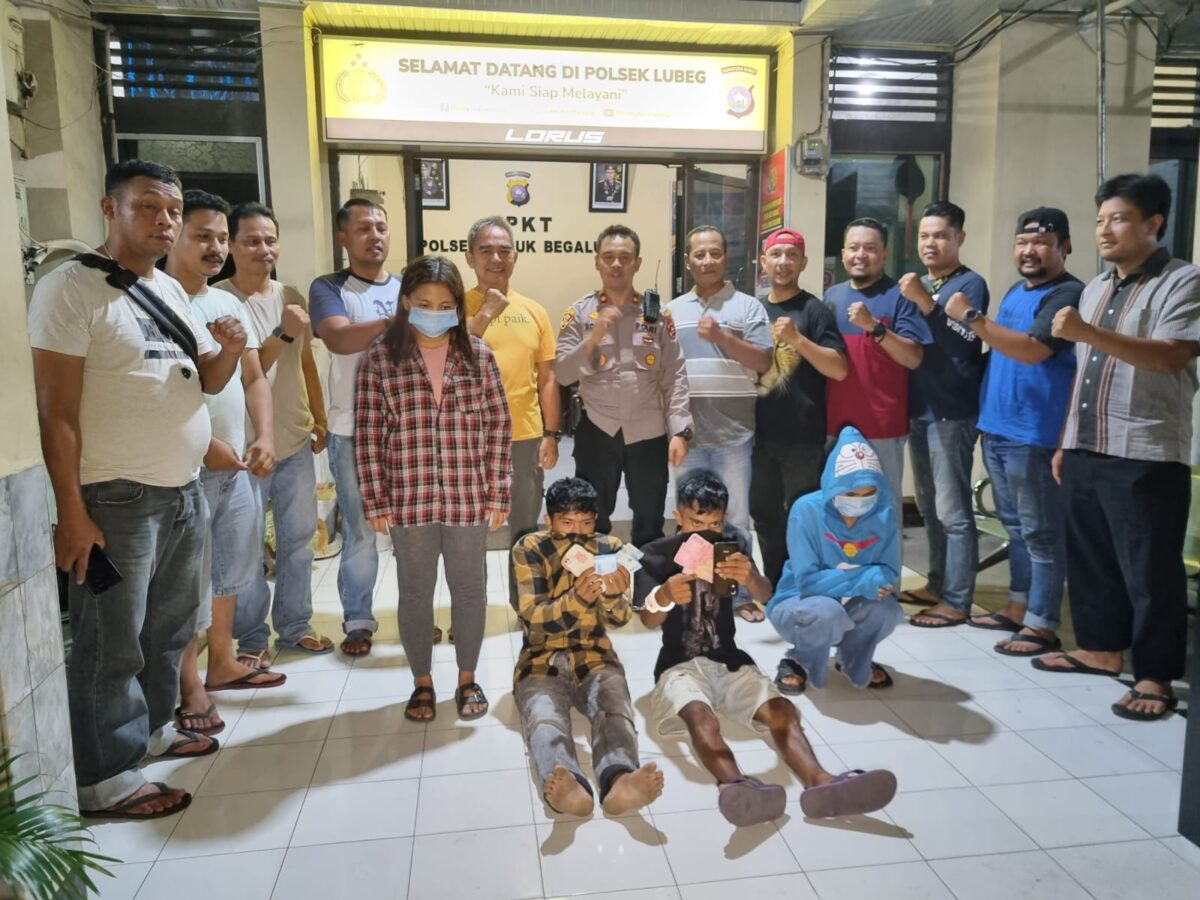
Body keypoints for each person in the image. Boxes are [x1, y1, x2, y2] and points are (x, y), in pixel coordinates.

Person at [28, 160, 245, 819]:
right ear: (110, 208)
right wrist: (72, 512)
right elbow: (55, 414)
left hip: (182, 491)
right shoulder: (71, 289)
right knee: (111, 642)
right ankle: (105, 778)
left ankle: (149, 733)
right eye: (148, 206)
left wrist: (232, 349)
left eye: (172, 210)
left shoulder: (169, 288)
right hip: (114, 498)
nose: (164, 220)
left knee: (168, 631)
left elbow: (205, 380)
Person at [636, 470, 898, 824]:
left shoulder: (732, 543)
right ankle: (735, 786)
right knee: (701, 716)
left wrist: (749, 576)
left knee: (782, 710)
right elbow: (648, 620)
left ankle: (821, 781)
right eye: (696, 522)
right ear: (678, 516)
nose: (706, 531)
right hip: (678, 664)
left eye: (714, 522)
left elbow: (765, 595)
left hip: (730, 660)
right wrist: (665, 595)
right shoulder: (654, 554)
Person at [1038, 174, 1200, 722]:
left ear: (1154, 223)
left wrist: (1088, 333)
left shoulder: (1183, 282)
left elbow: (1170, 356)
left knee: (1150, 571)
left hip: (1145, 449)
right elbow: (1083, 370)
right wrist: (1065, 440)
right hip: (1087, 442)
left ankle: (1155, 674)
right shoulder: (1095, 288)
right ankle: (1100, 649)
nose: (1105, 230)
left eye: (1120, 219)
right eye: (1101, 220)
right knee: (1092, 558)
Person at [355, 256, 511, 721]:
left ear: (459, 307)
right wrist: (375, 499)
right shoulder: (381, 358)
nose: (435, 313)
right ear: (406, 303)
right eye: (424, 304)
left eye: (446, 306)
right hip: (409, 497)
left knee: (469, 591)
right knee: (415, 593)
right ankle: (422, 681)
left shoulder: (478, 355)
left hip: (467, 496)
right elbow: (368, 435)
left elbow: (498, 428)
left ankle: (467, 678)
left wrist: (499, 491)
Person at [167, 191, 286, 739]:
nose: (214, 248)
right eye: (203, 236)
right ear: (175, 236)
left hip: (235, 463)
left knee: (231, 569)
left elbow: (254, 377)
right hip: (185, 468)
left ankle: (222, 661)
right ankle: (187, 683)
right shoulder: (159, 298)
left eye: (220, 238)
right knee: (186, 581)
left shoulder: (225, 302)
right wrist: (205, 444)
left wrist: (265, 436)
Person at [953, 208, 1082, 655]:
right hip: (998, 427)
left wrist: (971, 316)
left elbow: (1031, 351)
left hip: (1035, 433)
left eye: (1041, 242)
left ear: (1065, 247)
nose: (1030, 251)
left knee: (1041, 532)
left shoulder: (1068, 293)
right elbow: (1000, 352)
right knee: (1016, 529)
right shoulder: (1015, 291)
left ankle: (1042, 623)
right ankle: (1018, 606)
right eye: (1023, 242)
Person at [219, 203, 333, 666]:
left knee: (299, 541)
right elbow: (244, 371)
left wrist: (319, 417)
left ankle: (295, 626)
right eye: (251, 240)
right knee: (246, 547)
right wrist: (283, 333)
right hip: (245, 448)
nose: (263, 249)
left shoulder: (291, 295)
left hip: (295, 438)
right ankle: (251, 638)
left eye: (270, 240)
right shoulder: (220, 301)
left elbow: (304, 361)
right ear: (231, 245)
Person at [511, 478, 664, 817]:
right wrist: (577, 598)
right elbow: (534, 618)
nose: (577, 533)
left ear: (596, 520)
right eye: (567, 523)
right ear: (549, 520)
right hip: (541, 658)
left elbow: (620, 619)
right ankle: (569, 787)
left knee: (615, 708)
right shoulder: (530, 548)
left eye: (586, 523)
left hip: (595, 654)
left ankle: (620, 779)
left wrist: (613, 595)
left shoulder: (610, 548)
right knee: (545, 719)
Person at [556, 224, 692, 547]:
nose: (616, 264)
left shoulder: (657, 315)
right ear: (597, 261)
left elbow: (675, 375)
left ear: (637, 263)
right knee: (590, 520)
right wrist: (594, 335)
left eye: (625, 258)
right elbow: (562, 373)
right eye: (609, 257)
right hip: (597, 429)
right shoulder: (579, 313)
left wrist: (680, 431)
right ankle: (596, 578)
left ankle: (647, 580)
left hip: (649, 432)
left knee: (650, 523)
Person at [668, 225, 773, 621]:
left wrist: (724, 338)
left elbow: (764, 361)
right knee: (692, 518)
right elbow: (668, 373)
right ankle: (698, 593)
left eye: (715, 253)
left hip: (734, 435)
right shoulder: (673, 311)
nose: (708, 260)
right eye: (700, 254)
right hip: (689, 436)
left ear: (726, 258)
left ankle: (740, 593)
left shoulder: (748, 307)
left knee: (736, 520)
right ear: (688, 261)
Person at [310, 198, 400, 656]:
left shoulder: (406, 287)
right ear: (342, 236)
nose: (375, 236)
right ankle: (359, 620)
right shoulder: (329, 287)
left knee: (413, 530)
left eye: (381, 227)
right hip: (351, 430)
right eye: (364, 228)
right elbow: (339, 337)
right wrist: (402, 320)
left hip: (407, 428)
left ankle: (416, 614)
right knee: (362, 529)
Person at [896, 202, 990, 627]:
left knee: (953, 511)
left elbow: (965, 339)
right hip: (919, 408)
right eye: (924, 236)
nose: (930, 243)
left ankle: (957, 599)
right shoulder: (927, 282)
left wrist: (924, 302)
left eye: (939, 235)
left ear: (959, 238)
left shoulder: (969, 284)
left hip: (952, 412)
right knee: (930, 506)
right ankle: (937, 584)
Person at [464, 215, 562, 609]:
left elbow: (548, 378)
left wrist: (550, 434)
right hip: (469, 437)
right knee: (470, 529)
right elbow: (449, 357)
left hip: (523, 435)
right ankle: (471, 608)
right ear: (470, 257)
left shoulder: (534, 311)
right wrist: (486, 311)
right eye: (485, 250)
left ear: (515, 256)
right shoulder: (453, 305)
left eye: (504, 250)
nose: (495, 258)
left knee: (524, 526)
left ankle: (524, 602)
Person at [767, 426, 903, 694]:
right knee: (825, 612)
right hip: (799, 600)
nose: (859, 502)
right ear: (832, 487)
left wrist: (876, 581)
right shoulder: (806, 510)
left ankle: (853, 658)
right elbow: (807, 582)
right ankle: (799, 660)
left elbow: (888, 573)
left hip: (852, 602)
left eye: (867, 494)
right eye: (850, 494)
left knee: (887, 610)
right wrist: (867, 579)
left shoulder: (884, 513)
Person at [750, 227, 848, 587]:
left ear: (803, 263)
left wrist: (797, 339)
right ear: (763, 262)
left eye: (791, 255)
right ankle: (777, 585)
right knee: (764, 516)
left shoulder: (815, 310)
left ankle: (806, 585)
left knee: (804, 516)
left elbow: (838, 368)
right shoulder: (753, 309)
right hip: (757, 435)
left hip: (802, 436)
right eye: (776, 255)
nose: (783, 262)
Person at [825, 218, 929, 535]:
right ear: (843, 253)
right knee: (837, 516)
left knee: (884, 516)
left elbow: (913, 357)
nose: (860, 255)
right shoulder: (831, 296)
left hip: (882, 428)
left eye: (870, 248)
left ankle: (885, 571)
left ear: (884, 253)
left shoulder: (900, 296)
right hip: (833, 426)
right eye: (853, 247)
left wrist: (875, 327)